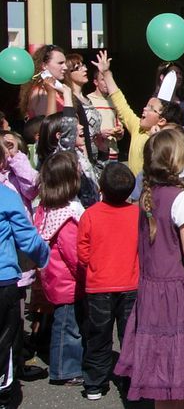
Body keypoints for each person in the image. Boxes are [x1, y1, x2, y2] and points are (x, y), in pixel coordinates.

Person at [115, 128, 184, 408]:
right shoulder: (180, 197)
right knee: (182, 374)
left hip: (152, 291)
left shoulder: (149, 195)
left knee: (162, 378)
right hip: (178, 292)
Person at [78, 162, 138, 401]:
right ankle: (132, 380)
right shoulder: (137, 214)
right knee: (130, 336)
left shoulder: (90, 214)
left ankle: (94, 382)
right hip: (131, 284)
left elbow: (82, 251)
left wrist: (93, 265)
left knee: (98, 335)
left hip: (98, 285)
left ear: (101, 187)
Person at [32, 151, 84, 387]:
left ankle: (65, 364)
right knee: (67, 328)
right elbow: (75, 255)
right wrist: (87, 274)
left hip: (53, 278)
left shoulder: (45, 209)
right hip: (67, 283)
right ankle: (64, 369)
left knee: (63, 324)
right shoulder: (67, 216)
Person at [0, 178, 50, 409]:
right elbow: (27, 238)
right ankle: (3, 395)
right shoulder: (7, 196)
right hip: (3, 279)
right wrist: (43, 257)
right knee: (4, 341)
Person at [92, 51, 184, 175]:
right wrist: (106, 73)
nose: (144, 109)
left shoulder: (170, 142)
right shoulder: (138, 128)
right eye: (146, 106)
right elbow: (121, 103)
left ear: (162, 120)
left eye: (151, 108)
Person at [19, 45, 67, 120]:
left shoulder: (56, 89)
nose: (65, 67)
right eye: (60, 63)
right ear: (44, 66)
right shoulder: (40, 92)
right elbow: (47, 124)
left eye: (65, 63)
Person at [86, 66, 123, 162]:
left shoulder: (115, 101)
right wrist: (99, 134)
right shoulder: (88, 100)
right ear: (95, 82)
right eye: (103, 80)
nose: (106, 83)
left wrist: (119, 132)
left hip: (113, 154)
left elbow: (119, 127)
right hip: (96, 153)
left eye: (108, 79)